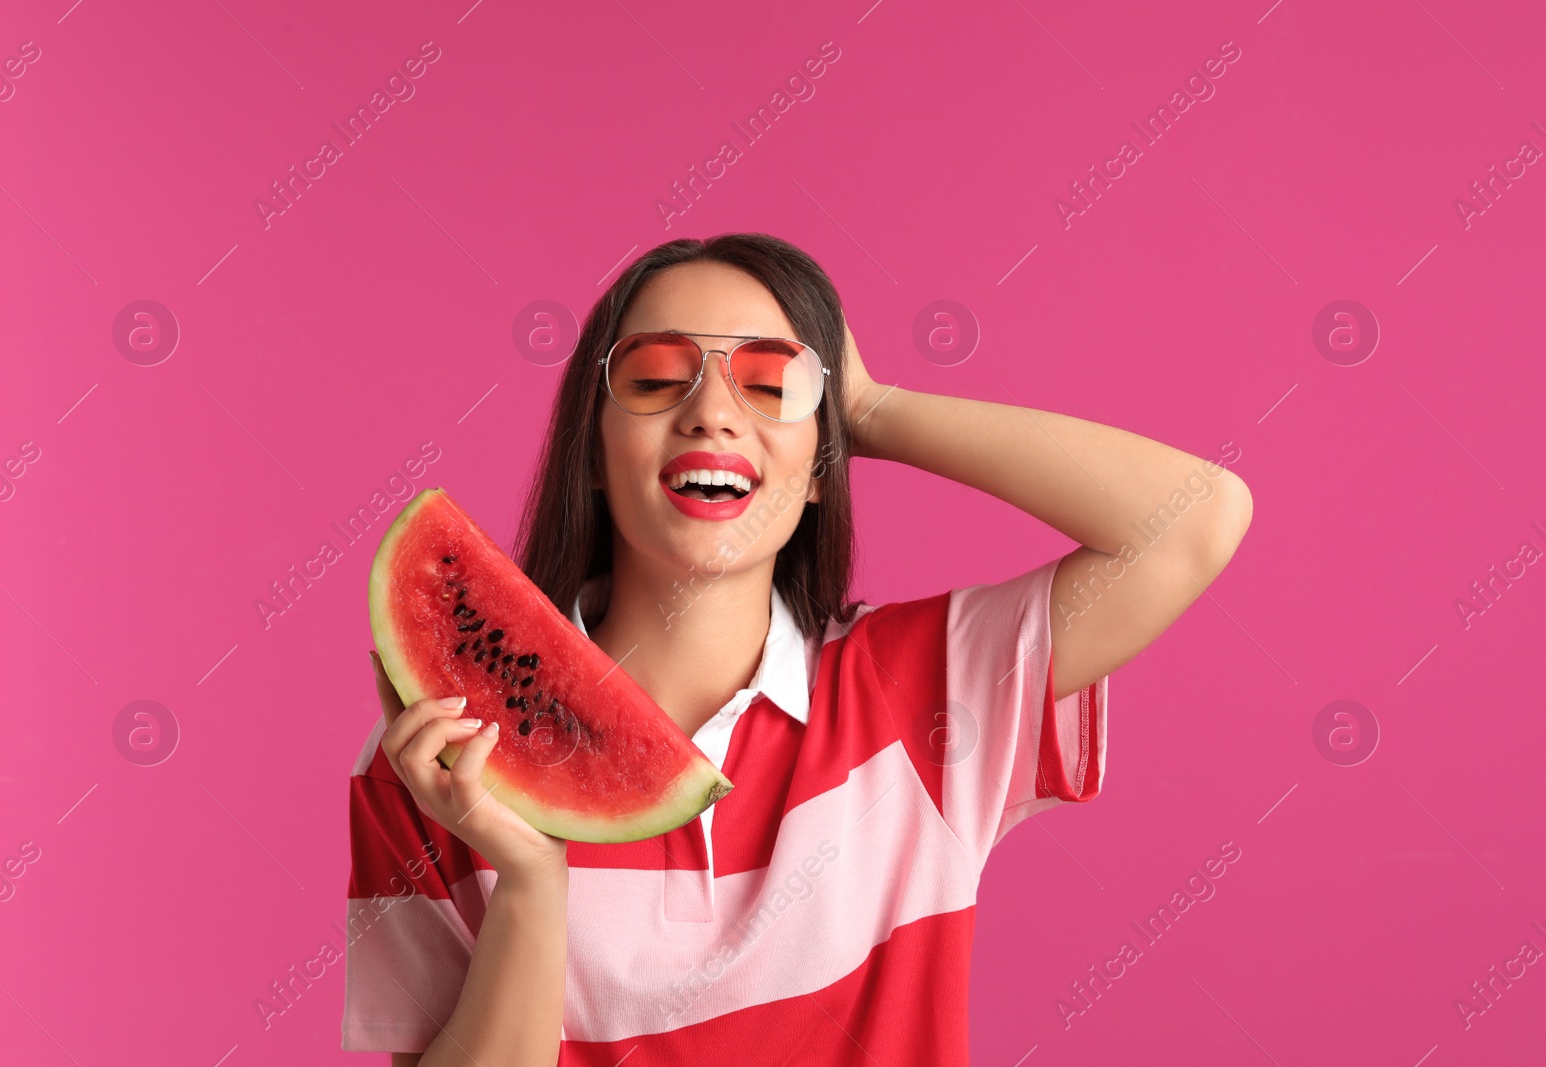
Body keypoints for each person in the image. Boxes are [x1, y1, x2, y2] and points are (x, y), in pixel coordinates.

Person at [342, 233, 1252, 1064]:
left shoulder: (924, 693)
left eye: (774, 383)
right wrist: (534, 882)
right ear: (591, 447)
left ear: (822, 465)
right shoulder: (438, 759)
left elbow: (1194, 520)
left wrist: (871, 406)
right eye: (657, 378)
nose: (711, 413)